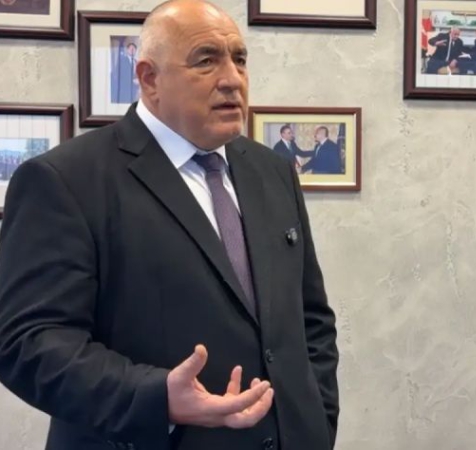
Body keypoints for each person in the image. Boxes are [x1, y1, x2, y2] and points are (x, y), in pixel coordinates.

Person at [0, 1, 339, 450]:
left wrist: (317, 419)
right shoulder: (65, 180)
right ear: (149, 79)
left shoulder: (271, 170)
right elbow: (28, 342)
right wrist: (156, 398)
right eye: (206, 60)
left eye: (239, 59)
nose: (232, 79)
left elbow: (310, 319)